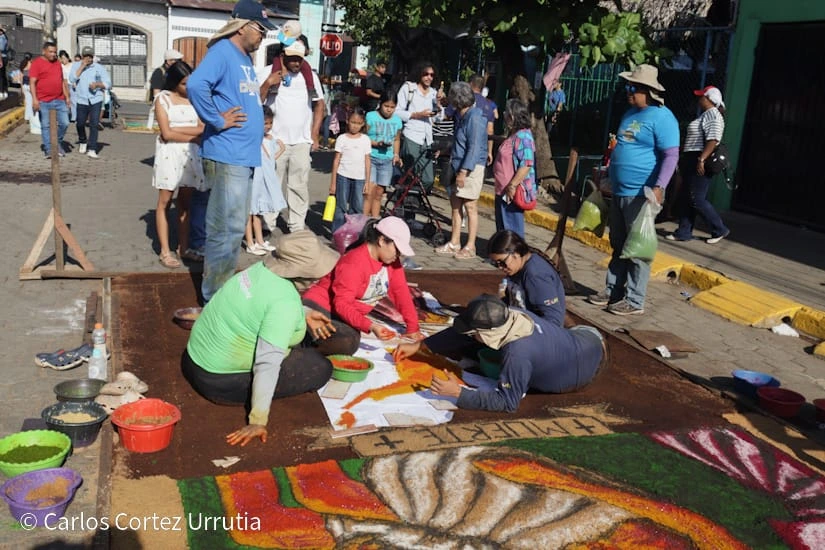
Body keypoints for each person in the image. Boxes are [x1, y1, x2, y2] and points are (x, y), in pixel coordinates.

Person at [183, 232, 356, 446]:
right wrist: (257, 420)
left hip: (195, 358)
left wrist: (303, 313)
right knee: (320, 368)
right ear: (304, 274)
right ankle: (301, 356)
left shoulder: (259, 270)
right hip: (219, 380)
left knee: (346, 338)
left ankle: (301, 342)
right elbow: (267, 363)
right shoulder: (284, 304)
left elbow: (261, 303)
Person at [187, 0, 274, 302]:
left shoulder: (244, 58)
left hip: (241, 155)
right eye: (261, 30)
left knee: (233, 228)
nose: (264, 36)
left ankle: (219, 290)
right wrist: (215, 119)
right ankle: (214, 297)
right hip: (227, 154)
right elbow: (197, 85)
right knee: (225, 228)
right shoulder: (223, 51)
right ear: (243, 26)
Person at [392, 294, 605, 412]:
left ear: (487, 333)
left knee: (478, 350)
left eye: (475, 333)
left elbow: (508, 403)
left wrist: (459, 393)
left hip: (589, 368)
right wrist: (421, 346)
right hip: (586, 339)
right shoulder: (511, 313)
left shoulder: (517, 354)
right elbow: (465, 332)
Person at [588, 64, 679, 316]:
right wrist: (608, 172)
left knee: (638, 249)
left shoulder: (663, 118)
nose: (629, 91)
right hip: (619, 190)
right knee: (617, 243)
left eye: (634, 88)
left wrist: (660, 187)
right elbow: (620, 146)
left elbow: (671, 156)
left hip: (642, 194)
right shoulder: (629, 114)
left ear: (648, 91)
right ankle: (613, 290)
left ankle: (635, 300)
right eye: (629, 86)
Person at [302, 217, 423, 340]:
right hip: (321, 306)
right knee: (347, 340)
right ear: (381, 241)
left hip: (344, 313)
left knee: (350, 338)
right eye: (397, 249)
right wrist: (370, 325)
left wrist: (412, 327)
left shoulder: (392, 262)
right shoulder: (354, 262)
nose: (399, 255)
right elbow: (341, 304)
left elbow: (400, 292)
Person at [261, 39, 325, 233]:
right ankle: (267, 223)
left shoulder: (310, 77)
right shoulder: (268, 72)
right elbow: (256, 99)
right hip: (275, 140)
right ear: (283, 56)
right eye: (293, 58)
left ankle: (296, 225)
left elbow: (319, 104)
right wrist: (268, 83)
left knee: (299, 185)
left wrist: (314, 134)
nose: (297, 63)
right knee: (271, 183)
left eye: (300, 58)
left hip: (301, 141)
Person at [152, 60, 206, 269]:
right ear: (175, 82)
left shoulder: (195, 99)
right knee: (165, 202)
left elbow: (202, 127)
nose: (188, 87)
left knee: (185, 203)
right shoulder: (162, 99)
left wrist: (178, 132)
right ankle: (165, 250)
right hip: (169, 156)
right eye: (184, 83)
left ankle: (184, 248)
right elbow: (166, 133)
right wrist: (192, 135)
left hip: (190, 156)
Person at [666, 85, 730, 244]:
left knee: (697, 198)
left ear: (709, 99)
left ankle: (719, 229)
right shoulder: (706, 115)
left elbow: (713, 139)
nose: (699, 98)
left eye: (702, 96)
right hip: (692, 157)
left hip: (699, 157)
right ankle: (683, 231)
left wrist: (701, 159)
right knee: (687, 197)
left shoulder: (713, 115)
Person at [434, 81, 487, 259]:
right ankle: (454, 242)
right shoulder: (462, 115)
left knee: (470, 206)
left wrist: (464, 171)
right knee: (456, 206)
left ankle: (470, 246)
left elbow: (473, 148)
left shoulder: (475, 118)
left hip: (470, 167)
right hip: (457, 162)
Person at [487, 230, 566, 327]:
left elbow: (554, 320)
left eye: (502, 262)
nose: (500, 267)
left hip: (539, 334)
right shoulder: (516, 267)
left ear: (516, 254)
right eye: (495, 263)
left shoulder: (535, 275)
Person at [245, 105, 286, 255]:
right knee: (250, 212)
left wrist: (281, 150)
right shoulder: (254, 139)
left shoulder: (269, 139)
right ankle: (250, 243)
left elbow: (269, 159)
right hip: (255, 179)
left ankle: (260, 241)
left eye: (270, 123)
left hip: (264, 179)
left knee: (258, 212)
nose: (268, 127)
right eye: (265, 123)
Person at [493, 98, 536, 237]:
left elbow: (527, 164)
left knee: (512, 228)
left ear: (512, 116)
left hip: (512, 192)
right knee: (503, 228)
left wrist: (512, 185)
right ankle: (503, 255)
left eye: (506, 112)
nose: (504, 114)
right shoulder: (514, 135)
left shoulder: (523, 136)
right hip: (502, 190)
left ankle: (514, 255)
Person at [396, 61, 441, 191]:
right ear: (419, 74)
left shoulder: (433, 93)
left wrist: (438, 104)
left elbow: (438, 117)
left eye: (432, 75)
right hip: (411, 134)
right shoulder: (409, 88)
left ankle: (409, 197)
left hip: (426, 138)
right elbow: (397, 112)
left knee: (428, 179)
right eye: (426, 74)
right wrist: (416, 115)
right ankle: (404, 200)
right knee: (411, 173)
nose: (429, 77)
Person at [329, 107, 371, 232]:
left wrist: (367, 182)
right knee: (341, 206)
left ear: (363, 124)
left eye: (358, 123)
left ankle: (354, 233)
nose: (355, 126)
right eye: (353, 122)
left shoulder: (365, 140)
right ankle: (337, 233)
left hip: (359, 178)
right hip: (343, 176)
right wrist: (333, 183)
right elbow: (336, 160)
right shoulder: (342, 138)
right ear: (347, 121)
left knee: (357, 206)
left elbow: (367, 161)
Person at [364, 90, 403, 217]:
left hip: (387, 159)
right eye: (386, 106)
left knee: (379, 192)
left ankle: (375, 219)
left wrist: (396, 155)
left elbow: (397, 139)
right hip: (371, 157)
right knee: (369, 190)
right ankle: (363, 219)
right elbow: (363, 137)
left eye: (392, 107)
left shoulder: (397, 121)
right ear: (380, 104)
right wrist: (376, 144)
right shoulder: (370, 116)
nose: (389, 110)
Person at [30, 41, 71, 158]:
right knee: (45, 125)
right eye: (51, 52)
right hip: (43, 101)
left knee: (65, 123)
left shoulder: (58, 64)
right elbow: (32, 83)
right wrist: (35, 100)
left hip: (59, 99)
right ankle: (49, 149)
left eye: (55, 52)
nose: (53, 54)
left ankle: (56, 143)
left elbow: (62, 81)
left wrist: (67, 97)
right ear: (44, 51)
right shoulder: (37, 63)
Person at [69, 46, 111, 159]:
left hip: (95, 99)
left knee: (94, 123)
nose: (89, 59)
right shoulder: (76, 66)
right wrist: (82, 66)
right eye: (86, 56)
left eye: (91, 56)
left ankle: (92, 148)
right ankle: (83, 140)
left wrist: (98, 85)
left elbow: (108, 83)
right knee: (80, 123)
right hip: (81, 99)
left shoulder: (99, 68)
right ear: (82, 56)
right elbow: (71, 79)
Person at [263, 20, 319, 101]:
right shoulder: (284, 38)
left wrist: (302, 47)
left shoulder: (302, 39)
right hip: (283, 57)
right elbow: (281, 54)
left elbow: (306, 52)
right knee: (276, 66)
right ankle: (275, 86)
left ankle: (311, 88)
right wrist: (283, 68)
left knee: (307, 68)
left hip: (299, 57)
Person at [469, 74, 497, 165]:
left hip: (462, 149)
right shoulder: (489, 105)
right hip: (480, 153)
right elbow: (490, 130)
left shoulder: (464, 99)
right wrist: (489, 152)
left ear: (470, 84)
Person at [18, 53, 41, 135]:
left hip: (24, 85)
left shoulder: (22, 65)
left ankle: (27, 117)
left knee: (27, 102)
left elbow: (20, 77)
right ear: (30, 58)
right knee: (32, 102)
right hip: (30, 86)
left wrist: (21, 88)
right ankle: (32, 118)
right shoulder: (32, 65)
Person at [58, 50, 76, 122]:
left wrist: (74, 82)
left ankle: (74, 117)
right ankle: (66, 116)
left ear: (68, 58)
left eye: (64, 58)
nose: (63, 60)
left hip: (71, 84)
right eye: (62, 58)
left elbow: (75, 75)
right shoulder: (61, 66)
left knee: (73, 101)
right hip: (63, 84)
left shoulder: (72, 65)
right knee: (65, 101)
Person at [0, 25, 8, 101]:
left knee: (1, 76)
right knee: (3, 75)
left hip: (1, 57)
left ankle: (2, 91)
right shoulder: (4, 37)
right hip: (3, 57)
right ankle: (4, 91)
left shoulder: (2, 38)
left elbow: (1, 49)